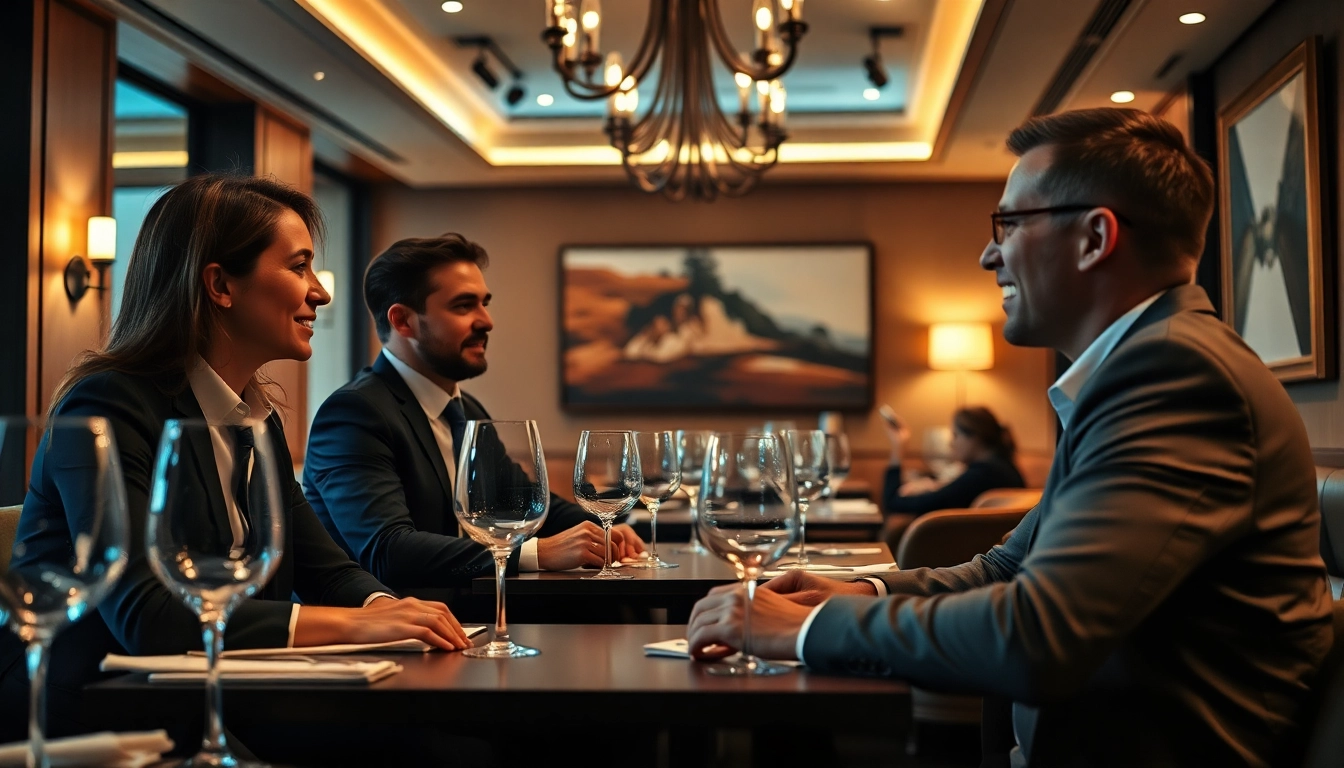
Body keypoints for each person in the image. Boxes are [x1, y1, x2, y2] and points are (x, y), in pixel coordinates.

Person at [687, 108, 1333, 767]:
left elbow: (1039, 638)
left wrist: (805, 628)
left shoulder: (1176, 376)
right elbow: (1005, 570)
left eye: (1010, 224)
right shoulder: (1142, 368)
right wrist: (858, 592)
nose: (988, 253)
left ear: (1093, 238)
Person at [0, 175, 470, 741]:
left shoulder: (256, 417)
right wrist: (357, 623)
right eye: (298, 268)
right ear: (220, 285)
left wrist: (392, 611)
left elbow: (326, 569)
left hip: (221, 698)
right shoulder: (109, 402)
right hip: (96, 720)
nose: (320, 293)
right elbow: (146, 616)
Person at [303, 234, 644, 592]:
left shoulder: (465, 410)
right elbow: (388, 551)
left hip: (465, 616)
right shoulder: (354, 414)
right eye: (464, 306)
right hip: (383, 632)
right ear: (403, 321)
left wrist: (605, 527)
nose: (487, 321)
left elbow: (526, 500)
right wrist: (536, 553)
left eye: (484, 303)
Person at [880, 405, 1025, 513]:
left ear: (975, 437)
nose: (951, 443)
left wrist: (898, 446)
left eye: (956, 435)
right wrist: (936, 486)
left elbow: (894, 502)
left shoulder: (981, 475)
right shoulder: (1003, 469)